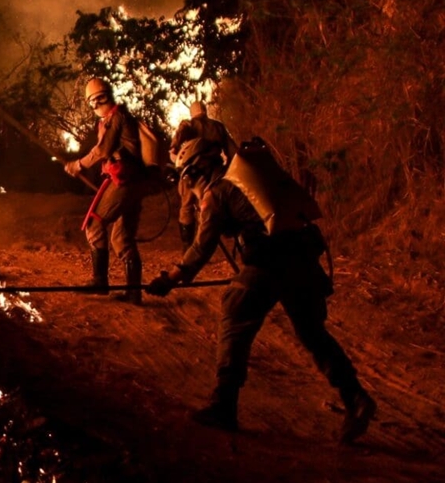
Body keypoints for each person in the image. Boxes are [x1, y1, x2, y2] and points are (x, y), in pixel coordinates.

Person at [145, 138, 376, 443]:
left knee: (233, 314)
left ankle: (223, 406)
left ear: (198, 168)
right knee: (313, 334)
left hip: (267, 264)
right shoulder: (246, 182)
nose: (188, 183)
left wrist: (170, 278)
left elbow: (202, 247)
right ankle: (355, 397)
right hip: (303, 262)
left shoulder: (218, 192)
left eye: (188, 175)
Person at [64, 78, 147, 305]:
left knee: (94, 224)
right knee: (122, 238)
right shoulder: (119, 117)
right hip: (135, 182)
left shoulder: (116, 118)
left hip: (124, 182)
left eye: (93, 101)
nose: (94, 106)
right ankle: (133, 293)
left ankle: (100, 281)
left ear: (97, 100)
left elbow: (103, 150)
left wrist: (78, 164)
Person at [169, 100, 237, 249]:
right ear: (205, 111)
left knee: (186, 207)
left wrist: (176, 156)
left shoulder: (188, 125)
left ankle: (188, 248)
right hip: (214, 174)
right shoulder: (218, 126)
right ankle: (205, 245)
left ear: (192, 113)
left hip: (191, 174)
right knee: (208, 207)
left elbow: (174, 148)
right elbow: (233, 153)